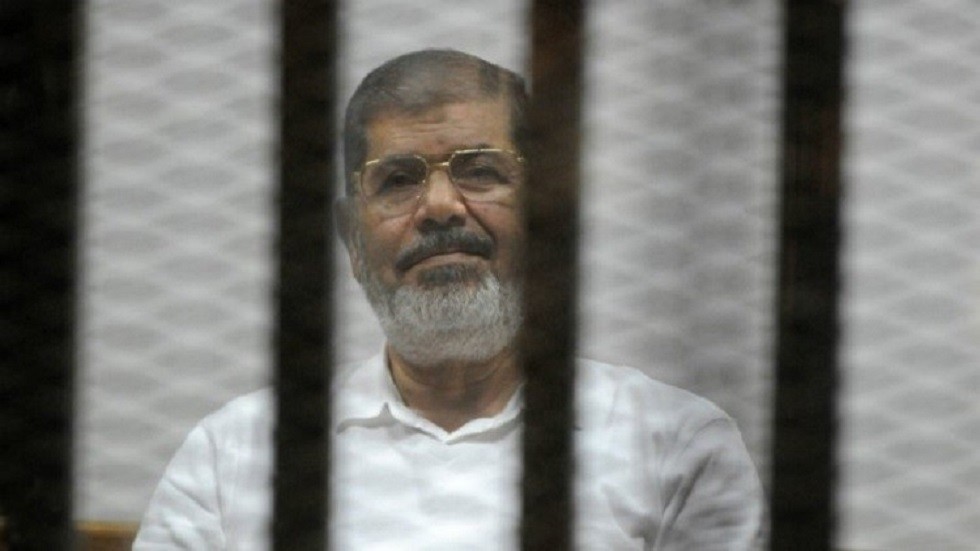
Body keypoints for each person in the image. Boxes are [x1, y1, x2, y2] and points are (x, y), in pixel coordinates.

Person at [134, 49, 763, 550]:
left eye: (481, 171)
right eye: (397, 180)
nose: (439, 207)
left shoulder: (677, 446)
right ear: (352, 238)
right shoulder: (231, 455)